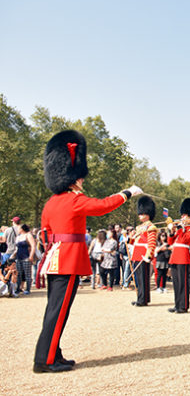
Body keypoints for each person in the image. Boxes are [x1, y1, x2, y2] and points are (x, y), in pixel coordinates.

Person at [34, 129, 141, 373]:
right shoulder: (74, 199)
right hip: (69, 259)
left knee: (55, 309)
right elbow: (103, 206)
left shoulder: (51, 202)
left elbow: (44, 234)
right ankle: (44, 360)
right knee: (59, 310)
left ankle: (54, 353)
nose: (83, 180)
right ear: (73, 177)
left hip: (54, 259)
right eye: (80, 177)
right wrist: (127, 193)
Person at [168, 197, 190, 313]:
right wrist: (171, 232)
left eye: (184, 216)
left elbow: (184, 240)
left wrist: (180, 228)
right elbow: (171, 242)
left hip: (183, 256)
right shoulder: (180, 229)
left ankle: (183, 306)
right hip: (175, 256)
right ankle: (177, 304)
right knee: (176, 283)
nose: (181, 217)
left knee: (183, 283)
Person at [15, 224, 36, 295]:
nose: (18, 229)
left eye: (19, 228)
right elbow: (16, 248)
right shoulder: (18, 237)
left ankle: (28, 289)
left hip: (26, 256)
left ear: (22, 229)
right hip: (18, 257)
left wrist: (31, 256)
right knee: (18, 273)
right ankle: (18, 288)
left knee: (27, 274)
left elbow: (33, 246)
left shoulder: (28, 235)